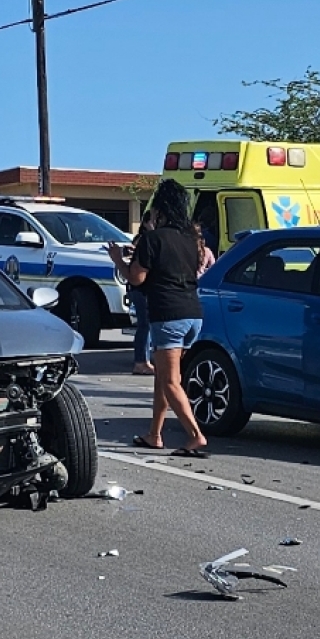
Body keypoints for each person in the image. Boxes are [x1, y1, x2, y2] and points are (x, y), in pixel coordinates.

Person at [109, 178, 210, 458]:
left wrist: (118, 259)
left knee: (169, 381)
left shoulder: (152, 240)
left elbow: (137, 278)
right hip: (193, 314)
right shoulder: (192, 240)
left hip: (167, 316)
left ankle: (195, 435)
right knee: (164, 379)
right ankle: (154, 434)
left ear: (160, 209)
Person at [129, 211, 156, 376]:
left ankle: (144, 359)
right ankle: (141, 361)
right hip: (140, 289)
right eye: (152, 220)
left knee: (148, 325)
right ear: (145, 223)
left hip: (144, 288)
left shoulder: (148, 239)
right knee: (144, 325)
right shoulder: (143, 240)